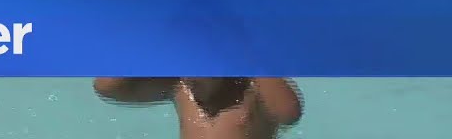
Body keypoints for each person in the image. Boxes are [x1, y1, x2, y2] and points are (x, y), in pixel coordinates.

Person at [92, 78, 302, 139]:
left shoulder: (253, 90)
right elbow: (107, 87)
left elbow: (289, 114)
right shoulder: (179, 87)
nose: (194, 81)